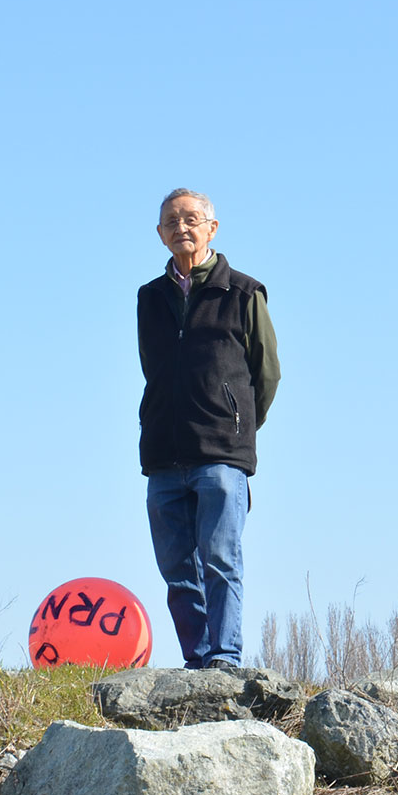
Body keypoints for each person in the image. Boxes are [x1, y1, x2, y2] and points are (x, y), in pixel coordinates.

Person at [137, 188, 280, 669]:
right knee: (177, 569)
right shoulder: (149, 299)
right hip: (163, 455)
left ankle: (224, 658)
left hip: (221, 454)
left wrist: (238, 425)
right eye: (171, 221)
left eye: (192, 218)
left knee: (220, 560)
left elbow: (267, 373)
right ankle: (197, 662)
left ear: (212, 228)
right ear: (160, 234)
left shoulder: (243, 291)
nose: (182, 227)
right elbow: (151, 370)